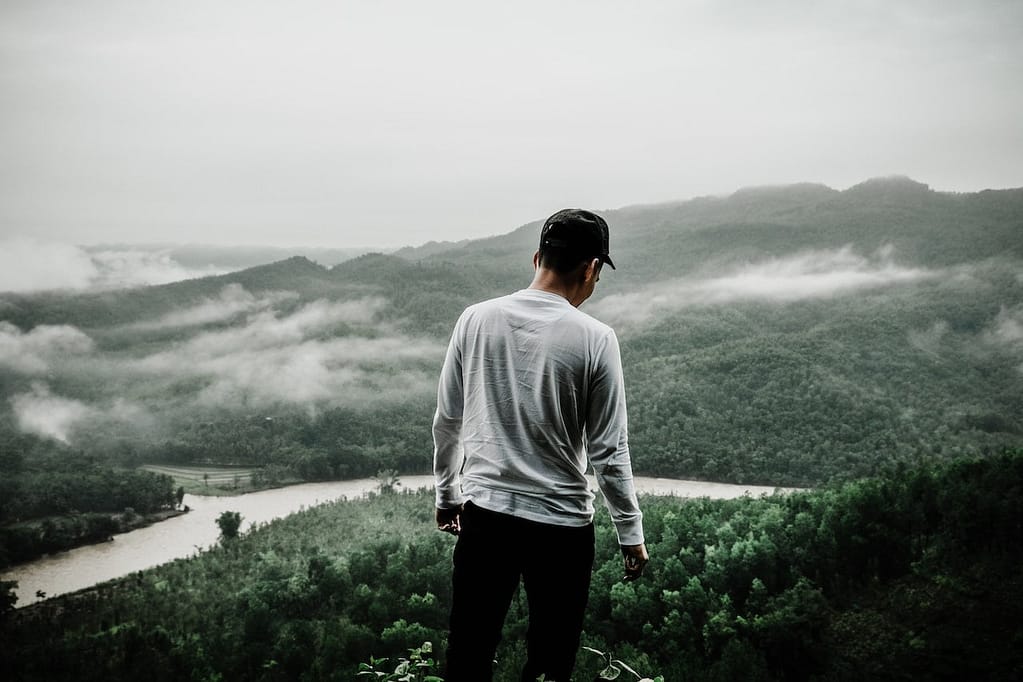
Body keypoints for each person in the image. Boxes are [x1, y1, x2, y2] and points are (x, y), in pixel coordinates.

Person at [432, 208, 649, 682]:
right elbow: (609, 452)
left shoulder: (475, 319)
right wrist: (630, 533)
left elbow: (448, 420)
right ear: (591, 269)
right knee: (551, 662)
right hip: (561, 528)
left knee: (468, 651)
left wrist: (448, 496)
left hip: (486, 516)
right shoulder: (596, 338)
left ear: (537, 258)